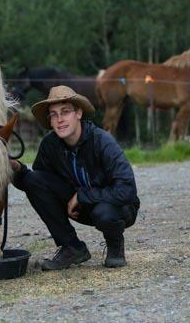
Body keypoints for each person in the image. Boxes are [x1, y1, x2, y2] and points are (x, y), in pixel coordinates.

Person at [11, 85, 139, 270]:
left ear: (78, 113)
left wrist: (81, 196)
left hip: (117, 207)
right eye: (53, 114)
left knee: (105, 212)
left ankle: (115, 247)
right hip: (78, 208)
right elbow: (38, 184)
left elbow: (127, 190)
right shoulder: (50, 144)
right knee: (33, 179)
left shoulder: (102, 141)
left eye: (65, 112)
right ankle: (72, 247)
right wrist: (17, 170)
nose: (59, 119)